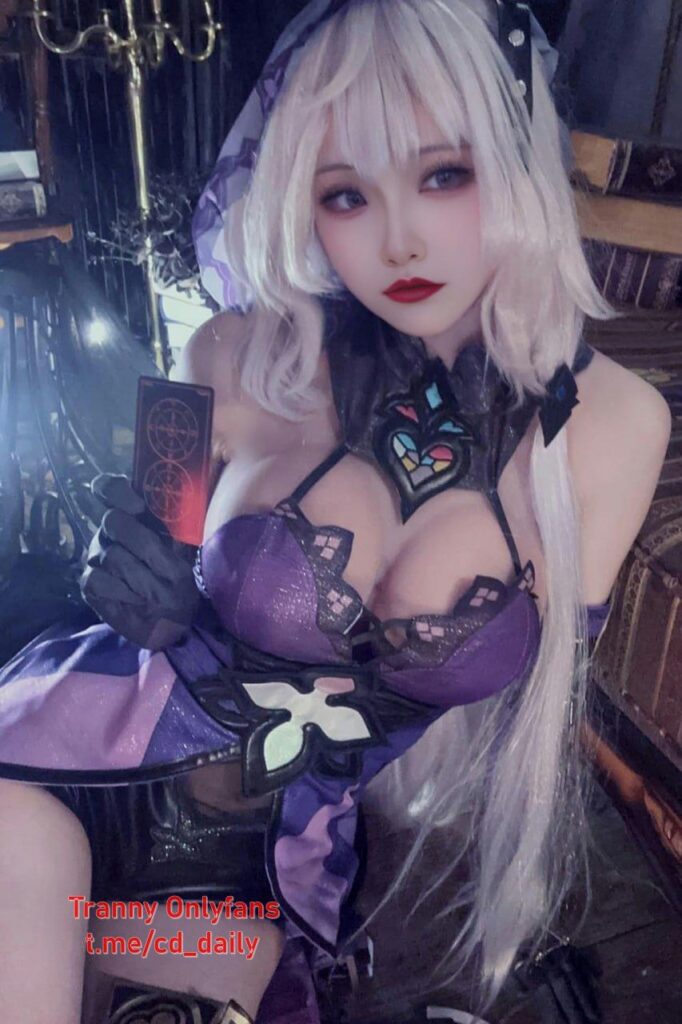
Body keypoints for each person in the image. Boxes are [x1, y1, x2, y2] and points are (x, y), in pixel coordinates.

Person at [0, 2, 672, 1023]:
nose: (397, 239)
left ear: (519, 162)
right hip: (51, 765)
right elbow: (141, 545)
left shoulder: (618, 428)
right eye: (346, 193)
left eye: (443, 175)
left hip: (245, 867)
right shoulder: (229, 351)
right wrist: (124, 562)